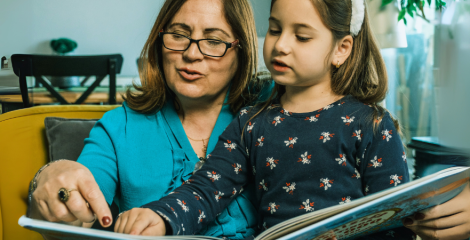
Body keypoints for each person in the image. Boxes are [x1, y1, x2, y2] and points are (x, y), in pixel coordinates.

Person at [113, 0, 414, 238]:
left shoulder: (372, 125)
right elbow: (206, 189)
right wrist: (160, 217)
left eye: (302, 36)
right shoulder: (251, 122)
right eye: (274, 29)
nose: (281, 45)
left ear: (341, 49)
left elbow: (394, 218)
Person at [28, 0, 272, 239]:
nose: (191, 53)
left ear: (241, 49)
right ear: (159, 39)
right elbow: (74, 217)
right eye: (178, 35)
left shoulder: (272, 109)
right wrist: (51, 183)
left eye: (213, 41)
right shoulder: (118, 127)